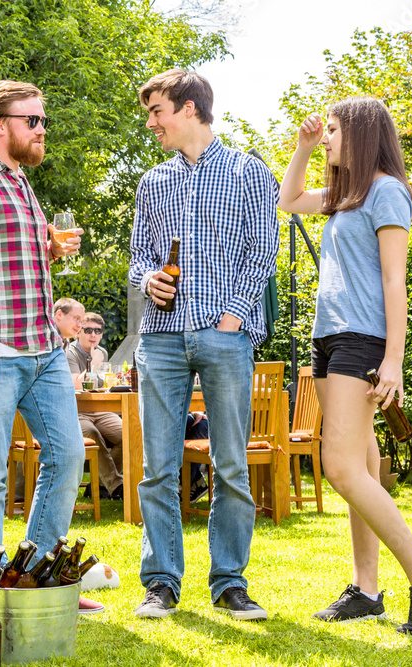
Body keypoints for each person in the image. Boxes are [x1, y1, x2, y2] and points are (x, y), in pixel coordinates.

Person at [278, 97, 412, 636]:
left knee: (339, 468)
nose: (327, 137)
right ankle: (366, 589)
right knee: (358, 460)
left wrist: (394, 362)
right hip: (330, 339)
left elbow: (393, 282)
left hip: (363, 340)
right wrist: (303, 148)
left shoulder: (387, 192)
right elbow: (289, 199)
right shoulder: (342, 196)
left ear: (360, 133)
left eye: (333, 130)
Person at [0, 80, 102, 614]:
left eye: (42, 120)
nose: (41, 129)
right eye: (32, 120)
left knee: (69, 454)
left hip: (43, 349)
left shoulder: (22, 182)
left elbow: (12, 265)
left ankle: (33, 577)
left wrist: (50, 248)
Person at [129, 69, 279, 621]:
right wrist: (149, 281)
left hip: (223, 337)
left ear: (189, 108)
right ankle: (161, 582)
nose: (151, 123)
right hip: (163, 339)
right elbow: (139, 258)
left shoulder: (247, 171)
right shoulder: (153, 182)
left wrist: (234, 319)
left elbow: (262, 252)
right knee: (158, 469)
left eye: (157, 112)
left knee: (232, 465)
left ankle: (229, 582)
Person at [66, 313, 124, 500]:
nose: (93, 335)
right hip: (77, 411)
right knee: (92, 434)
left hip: (100, 409)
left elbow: (102, 383)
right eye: (88, 330)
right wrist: (95, 362)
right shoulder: (69, 352)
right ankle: (116, 486)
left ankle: (98, 485)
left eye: (97, 331)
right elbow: (78, 385)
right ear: (78, 333)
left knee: (128, 434)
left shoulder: (102, 351)